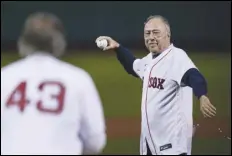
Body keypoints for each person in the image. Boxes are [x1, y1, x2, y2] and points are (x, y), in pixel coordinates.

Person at [95, 15, 216, 155]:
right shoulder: (149, 61)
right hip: (151, 143)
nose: (151, 37)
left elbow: (194, 76)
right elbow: (133, 66)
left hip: (172, 146)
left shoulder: (177, 57)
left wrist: (201, 95)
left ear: (168, 35)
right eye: (147, 33)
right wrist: (117, 47)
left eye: (156, 32)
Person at [1, 12, 106, 155]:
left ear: (23, 41)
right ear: (58, 42)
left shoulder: (4, 76)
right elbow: (95, 142)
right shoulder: (78, 78)